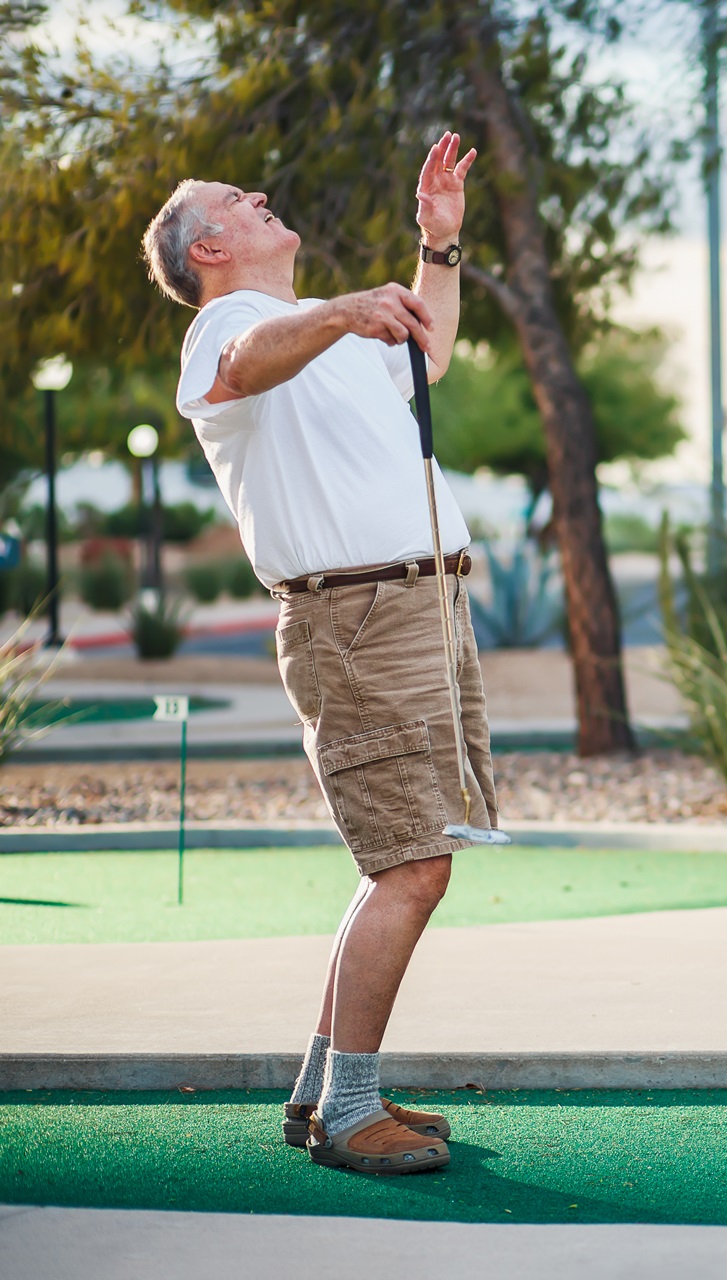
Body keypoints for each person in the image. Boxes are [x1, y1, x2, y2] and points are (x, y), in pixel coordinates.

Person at [142, 133, 488, 1175]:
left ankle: (322, 1087)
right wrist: (342, 309)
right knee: (412, 864)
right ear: (207, 248)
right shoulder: (226, 327)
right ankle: (349, 1111)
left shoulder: (310, 330)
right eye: (237, 200)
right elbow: (247, 365)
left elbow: (425, 354)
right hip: (360, 618)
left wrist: (440, 248)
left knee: (405, 855)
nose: (258, 195)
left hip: (415, 608)